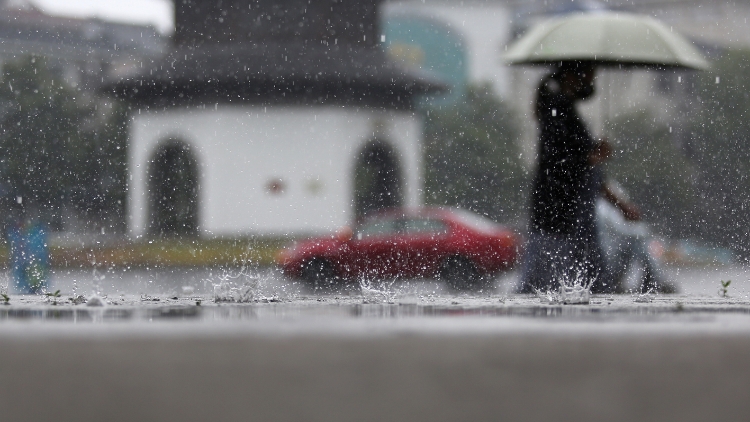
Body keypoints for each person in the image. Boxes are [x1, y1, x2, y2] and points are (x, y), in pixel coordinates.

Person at [520, 61, 640, 294]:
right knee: (547, 284)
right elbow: (558, 161)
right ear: (574, 76)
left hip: (574, 219)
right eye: (591, 74)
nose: (593, 81)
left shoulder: (566, 112)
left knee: (582, 278)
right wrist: (592, 157)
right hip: (559, 215)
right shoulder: (557, 109)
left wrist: (620, 205)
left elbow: (591, 174)